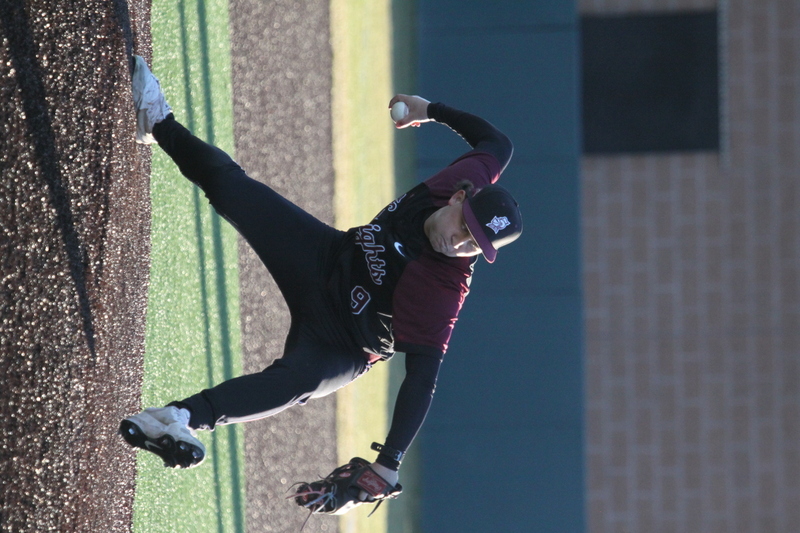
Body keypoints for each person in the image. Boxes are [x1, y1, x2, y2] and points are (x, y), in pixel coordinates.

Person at [120, 55, 522, 499]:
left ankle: (178, 419)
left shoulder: (442, 290)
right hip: (327, 258)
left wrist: (388, 464)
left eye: (474, 244)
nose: (459, 242)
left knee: (295, 383)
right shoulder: (462, 178)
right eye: (464, 226)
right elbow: (498, 143)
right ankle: (157, 122)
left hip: (344, 342)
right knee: (232, 187)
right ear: (460, 197)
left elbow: (422, 379)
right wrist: (429, 110)